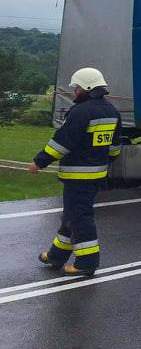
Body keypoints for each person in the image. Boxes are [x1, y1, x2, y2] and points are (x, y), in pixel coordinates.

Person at [28, 67, 122, 276]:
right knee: (71, 216)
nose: (74, 91)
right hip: (97, 175)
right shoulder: (111, 111)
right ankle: (56, 256)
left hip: (78, 176)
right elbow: (115, 147)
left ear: (87, 88)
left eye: (77, 87)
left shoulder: (81, 112)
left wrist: (39, 162)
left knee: (80, 217)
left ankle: (87, 262)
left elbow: (62, 143)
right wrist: (103, 161)